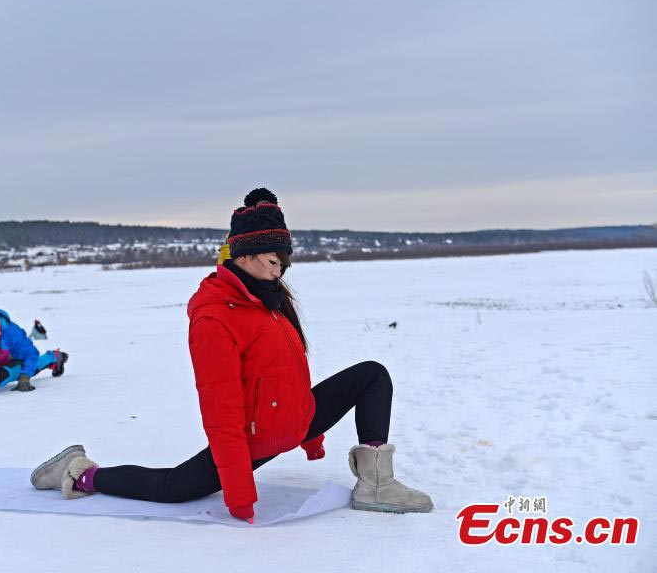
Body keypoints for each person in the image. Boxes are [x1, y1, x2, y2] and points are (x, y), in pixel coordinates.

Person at [30, 188, 432, 523]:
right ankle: (81, 474)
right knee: (174, 487)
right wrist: (239, 494)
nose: (279, 273)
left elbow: (290, 375)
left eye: (283, 265)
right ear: (244, 256)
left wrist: (310, 434)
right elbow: (220, 410)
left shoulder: (267, 298)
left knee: (372, 374)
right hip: (254, 437)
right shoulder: (215, 317)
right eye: (273, 263)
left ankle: (376, 483)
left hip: (293, 419)